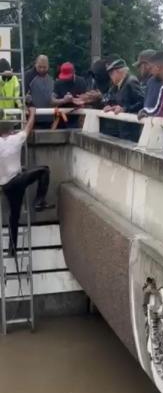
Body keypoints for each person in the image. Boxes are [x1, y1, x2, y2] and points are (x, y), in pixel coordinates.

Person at [0, 107, 54, 257]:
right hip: (16, 181)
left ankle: (12, 249)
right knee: (44, 170)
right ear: (8, 131)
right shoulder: (14, 140)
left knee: (14, 216)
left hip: (5, 186)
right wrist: (33, 114)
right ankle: (39, 201)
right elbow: (28, 127)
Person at [103, 58, 144, 141]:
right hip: (120, 128)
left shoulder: (131, 82)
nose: (110, 77)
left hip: (131, 129)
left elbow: (142, 102)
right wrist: (109, 106)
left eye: (111, 73)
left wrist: (125, 108)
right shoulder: (116, 85)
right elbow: (111, 98)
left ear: (119, 72)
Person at [52, 62, 87, 128]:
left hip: (77, 117)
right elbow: (52, 100)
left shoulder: (81, 82)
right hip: (61, 117)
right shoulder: (58, 83)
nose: (67, 79)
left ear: (74, 72)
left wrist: (76, 100)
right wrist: (63, 100)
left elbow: (86, 99)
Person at [25, 55, 54, 128]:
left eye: (44, 67)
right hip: (33, 118)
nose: (42, 69)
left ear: (48, 66)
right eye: (39, 67)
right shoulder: (29, 75)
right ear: (35, 64)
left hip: (49, 117)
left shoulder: (51, 75)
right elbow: (22, 94)